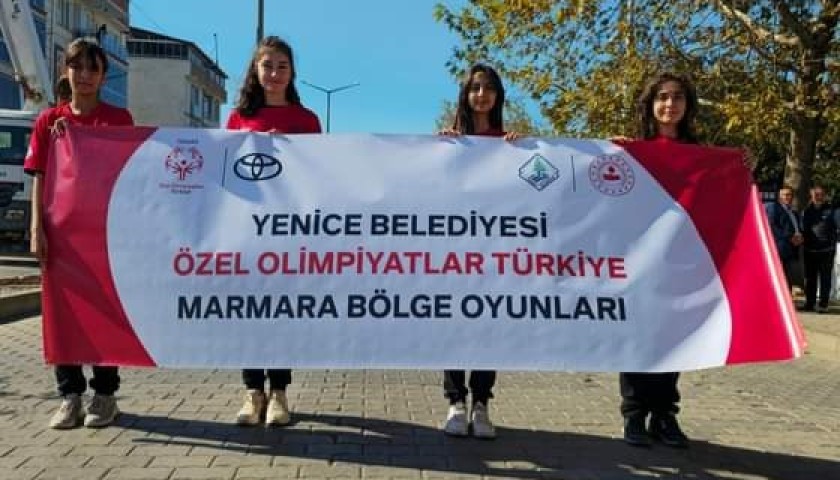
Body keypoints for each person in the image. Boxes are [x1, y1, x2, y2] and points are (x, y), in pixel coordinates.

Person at [24, 38, 134, 429]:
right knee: (63, 314)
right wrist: (37, 227)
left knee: (106, 312)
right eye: (77, 67)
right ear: (65, 70)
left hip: (104, 236)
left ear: (103, 77)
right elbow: (39, 177)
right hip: (61, 237)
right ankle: (69, 396)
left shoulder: (119, 120)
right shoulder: (48, 122)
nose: (84, 75)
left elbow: (128, 174)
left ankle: (105, 395)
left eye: (92, 68)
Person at [226, 36, 321, 427]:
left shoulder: (307, 121)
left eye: (282, 66)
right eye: (268, 65)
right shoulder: (238, 119)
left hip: (289, 232)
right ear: (256, 70)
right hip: (248, 230)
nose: (275, 73)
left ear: (292, 72)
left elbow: (320, 175)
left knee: (281, 312)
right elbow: (225, 173)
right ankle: (253, 391)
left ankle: (279, 390)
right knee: (250, 311)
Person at [613, 72, 706, 449]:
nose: (670, 104)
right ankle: (634, 415)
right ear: (651, 105)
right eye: (663, 97)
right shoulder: (631, 152)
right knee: (638, 336)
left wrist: (741, 163)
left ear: (687, 105)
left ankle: (665, 414)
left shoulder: (702, 157)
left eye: (678, 97)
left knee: (674, 337)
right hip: (639, 263)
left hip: (683, 262)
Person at [438, 64, 518, 440]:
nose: (482, 95)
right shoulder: (450, 142)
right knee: (454, 325)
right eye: (475, 88)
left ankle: (481, 403)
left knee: (489, 326)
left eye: (488, 88)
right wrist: (438, 150)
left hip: (494, 253)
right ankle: (455, 401)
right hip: (455, 253)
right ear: (465, 95)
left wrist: (522, 151)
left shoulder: (510, 144)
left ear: (498, 96)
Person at [801, 185, 837, 313]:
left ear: (824, 195)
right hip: (809, 250)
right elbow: (802, 229)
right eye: (815, 194)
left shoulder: (832, 210)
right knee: (810, 278)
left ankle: (823, 304)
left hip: (826, 251)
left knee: (825, 278)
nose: (818, 196)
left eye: (820, 194)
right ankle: (809, 303)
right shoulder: (806, 211)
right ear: (811, 195)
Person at [766, 186, 804, 291]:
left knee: (788, 278)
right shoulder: (774, 208)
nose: (787, 197)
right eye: (784, 195)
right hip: (780, 249)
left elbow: (797, 228)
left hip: (793, 250)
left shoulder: (794, 212)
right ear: (779, 197)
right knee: (780, 278)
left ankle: (788, 298)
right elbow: (772, 226)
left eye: (789, 195)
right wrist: (790, 237)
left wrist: (800, 237)